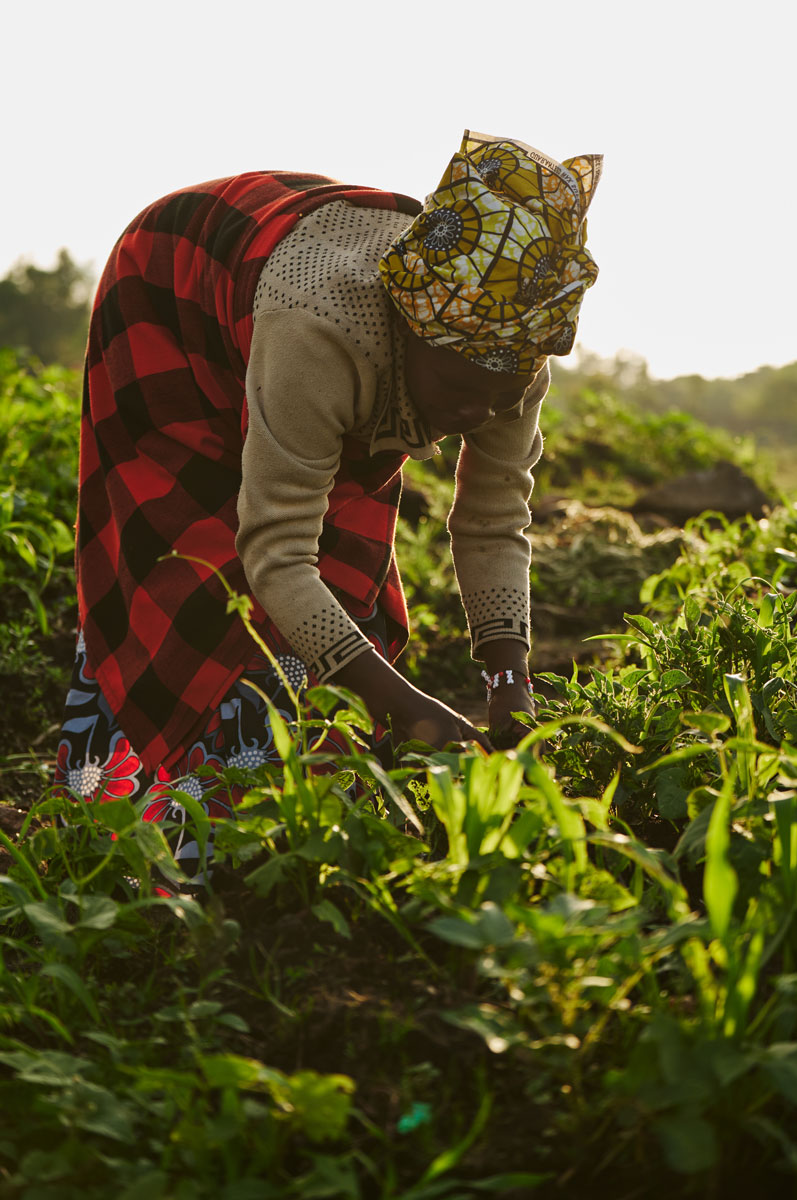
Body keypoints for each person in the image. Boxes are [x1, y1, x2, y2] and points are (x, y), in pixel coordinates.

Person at [54, 130, 601, 881]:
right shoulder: (321, 333)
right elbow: (277, 553)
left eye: (499, 398)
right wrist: (403, 703)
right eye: (461, 393)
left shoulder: (508, 356)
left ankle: (309, 815)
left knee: (343, 577)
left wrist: (511, 686)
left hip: (298, 316)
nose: (476, 416)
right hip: (174, 293)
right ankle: (124, 819)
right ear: (413, 335)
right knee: (186, 568)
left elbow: (494, 520)